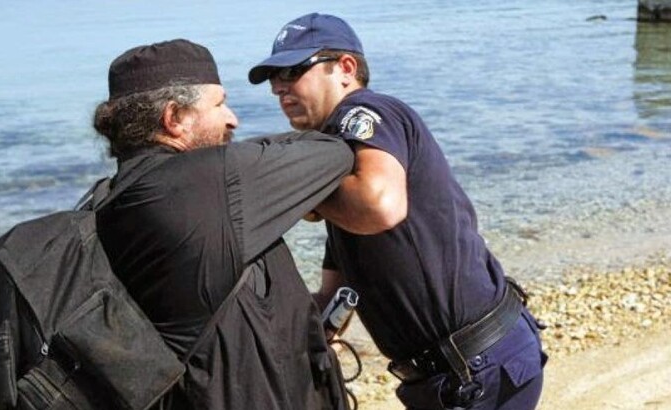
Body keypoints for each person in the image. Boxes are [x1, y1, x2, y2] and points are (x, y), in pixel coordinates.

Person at [249, 13, 547, 410]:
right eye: (273, 78)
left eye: (292, 70)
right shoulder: (340, 162)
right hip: (457, 370)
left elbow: (379, 207)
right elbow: (338, 292)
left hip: (478, 366)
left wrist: (298, 190)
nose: (279, 88)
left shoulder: (366, 112)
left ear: (346, 69)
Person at [93, 39, 352, 409]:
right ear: (175, 118)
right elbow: (333, 153)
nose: (232, 118)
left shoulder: (106, 200)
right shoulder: (214, 181)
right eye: (218, 104)